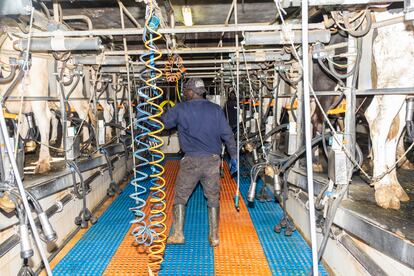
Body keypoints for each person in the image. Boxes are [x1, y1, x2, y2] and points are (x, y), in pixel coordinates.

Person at [161, 78, 237, 247]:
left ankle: (178, 234)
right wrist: (234, 156)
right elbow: (228, 135)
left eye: (186, 91)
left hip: (191, 161)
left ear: (190, 92)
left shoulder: (181, 109)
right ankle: (214, 236)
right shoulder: (216, 110)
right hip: (212, 161)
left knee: (181, 196)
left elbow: (163, 124)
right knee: (213, 198)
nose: (184, 93)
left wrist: (153, 117)